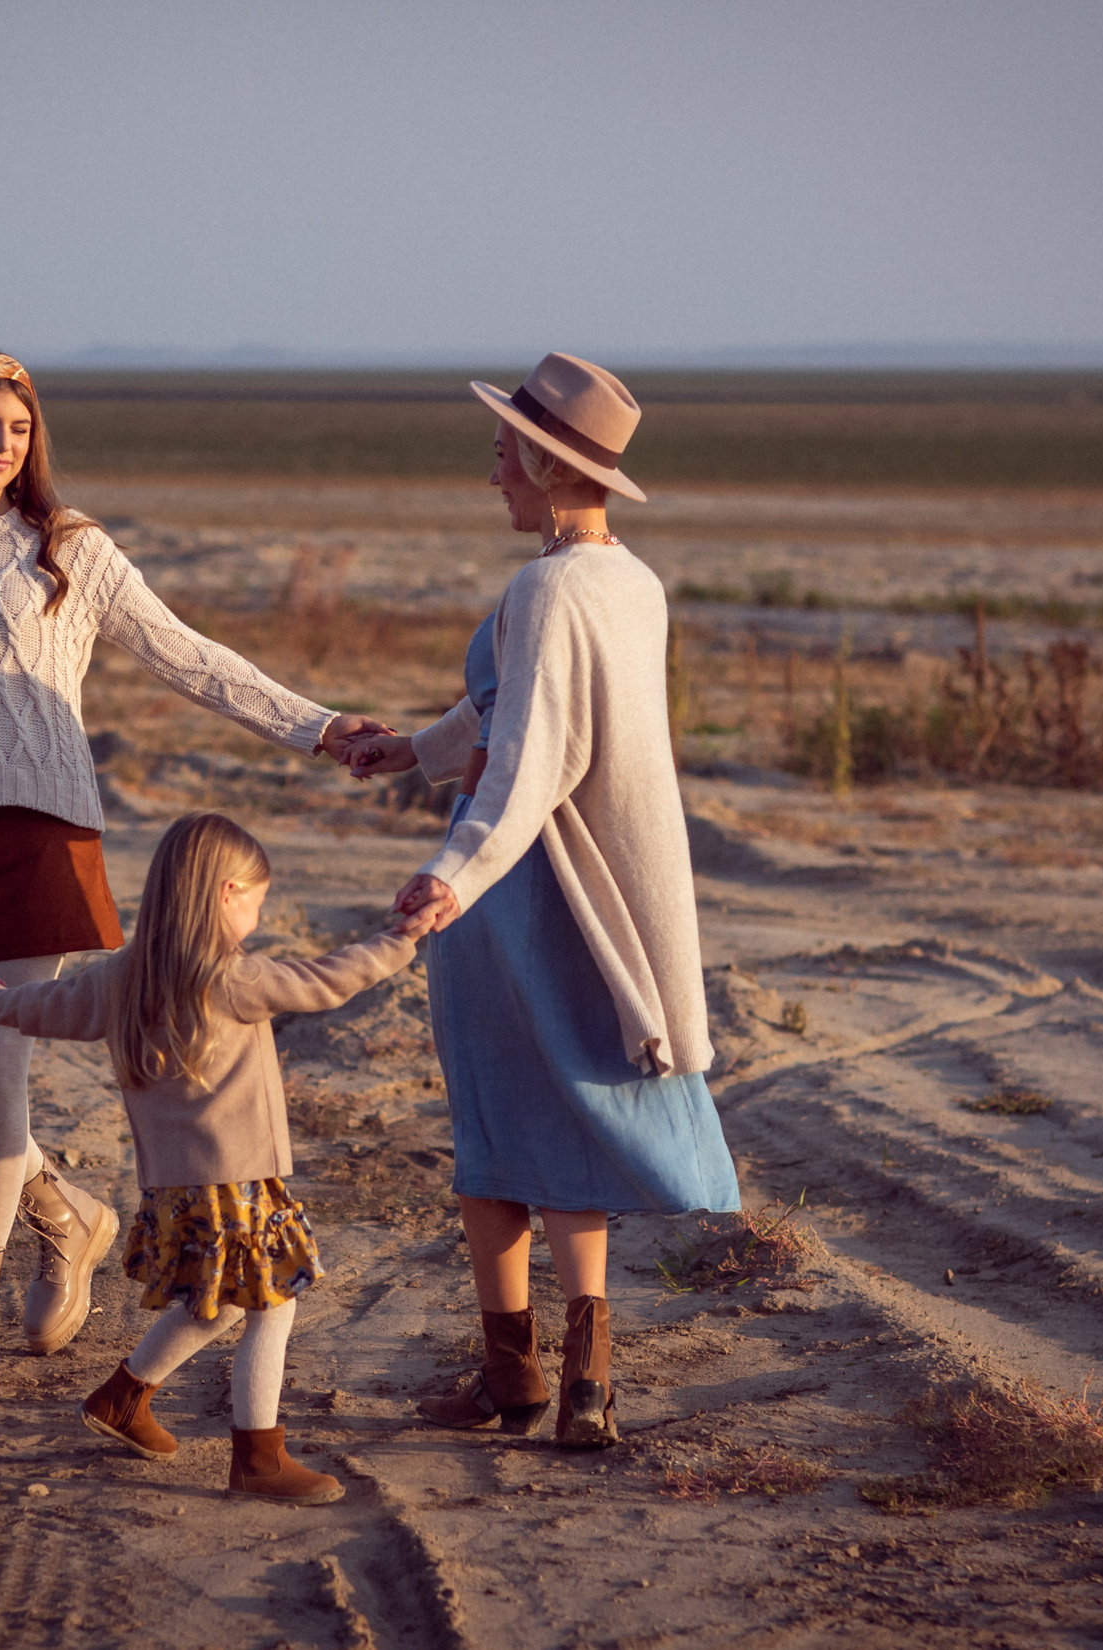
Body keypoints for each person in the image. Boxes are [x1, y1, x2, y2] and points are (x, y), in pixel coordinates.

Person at [0, 350, 386, 1401]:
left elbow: (184, 653)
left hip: (46, 828)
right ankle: (70, 1217)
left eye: (20, 427)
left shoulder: (66, 545)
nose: (3, 443)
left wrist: (316, 728)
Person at [345, 353, 740, 1450]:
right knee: (562, 1129)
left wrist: (453, 876)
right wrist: (410, 751)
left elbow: (530, 761)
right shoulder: (629, 582)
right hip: (590, 889)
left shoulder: (547, 586)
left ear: (541, 460)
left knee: (495, 1133)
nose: (492, 480)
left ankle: (511, 1375)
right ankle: (586, 1384)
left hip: (517, 889)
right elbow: (504, 711)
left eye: (499, 457)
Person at [0, 812, 425, 1504]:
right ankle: (259, 1459)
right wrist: (402, 938)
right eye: (256, 906)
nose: (258, 924)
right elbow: (329, 979)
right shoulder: (231, 978)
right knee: (272, 1306)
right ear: (226, 894)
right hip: (234, 1183)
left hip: (176, 1189)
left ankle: (122, 1398)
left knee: (220, 1304)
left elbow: (44, 1006)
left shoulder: (119, 978)